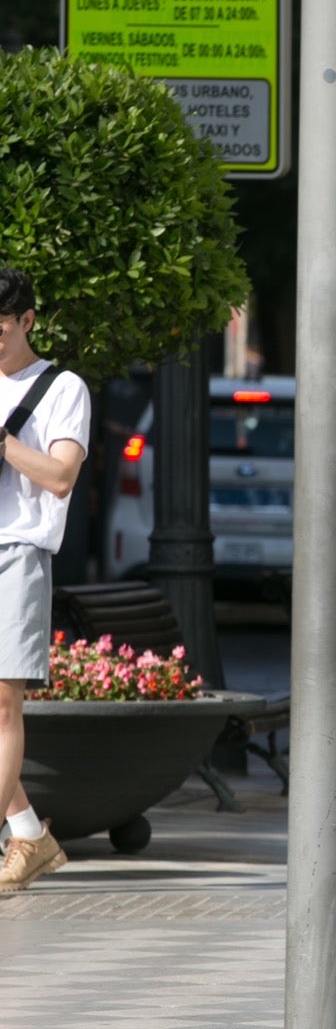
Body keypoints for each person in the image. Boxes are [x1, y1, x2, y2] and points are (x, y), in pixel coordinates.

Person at [0, 268, 91, 891]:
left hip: (16, 552)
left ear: (29, 320)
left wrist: (2, 443)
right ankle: (30, 834)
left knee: (3, 703)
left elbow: (60, 477)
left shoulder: (63, 388)